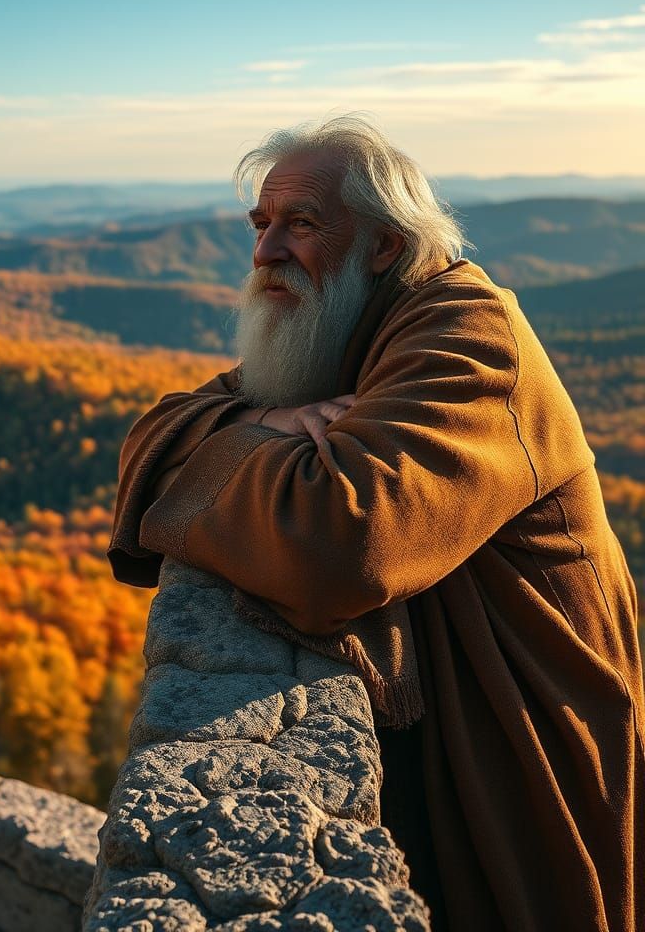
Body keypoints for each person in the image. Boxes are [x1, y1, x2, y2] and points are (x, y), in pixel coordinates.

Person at [107, 115, 644, 932]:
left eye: (302, 223)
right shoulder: (341, 323)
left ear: (388, 247)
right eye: (261, 224)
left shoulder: (466, 334)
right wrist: (262, 430)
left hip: (523, 753)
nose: (265, 252)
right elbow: (159, 428)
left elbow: (340, 544)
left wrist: (238, 437)